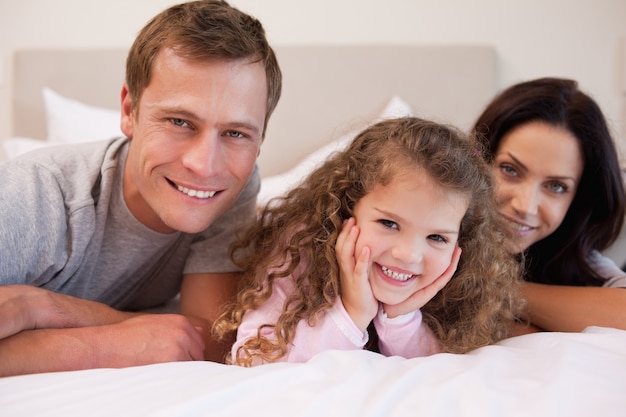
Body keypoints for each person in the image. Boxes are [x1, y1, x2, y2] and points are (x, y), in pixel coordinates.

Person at [0, 0, 282, 376]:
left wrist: (47, 309)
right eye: (180, 121)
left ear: (259, 140)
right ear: (129, 111)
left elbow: (206, 339)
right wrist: (101, 345)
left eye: (235, 133)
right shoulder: (35, 197)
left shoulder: (230, 188)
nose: (204, 165)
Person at [213, 117, 523, 366]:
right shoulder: (299, 252)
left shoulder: (458, 284)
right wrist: (352, 313)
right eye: (389, 223)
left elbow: (439, 372)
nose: (408, 254)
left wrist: (401, 318)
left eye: (437, 237)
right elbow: (253, 359)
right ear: (346, 209)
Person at [472, 77, 626, 335]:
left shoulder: (574, 258)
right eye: (510, 170)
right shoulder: (429, 227)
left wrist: (498, 287)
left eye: (556, 186)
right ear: (477, 159)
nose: (526, 206)